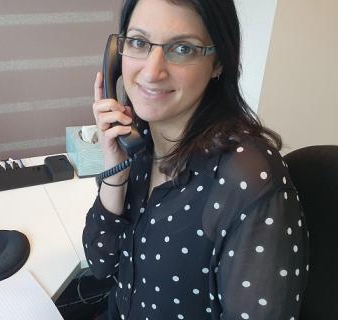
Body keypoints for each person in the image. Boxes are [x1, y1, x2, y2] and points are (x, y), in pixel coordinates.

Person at [82, 0, 309, 319]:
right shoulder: (140, 141)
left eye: (183, 49)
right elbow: (101, 263)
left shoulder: (249, 180)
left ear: (218, 64)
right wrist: (115, 167)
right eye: (138, 42)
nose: (151, 71)